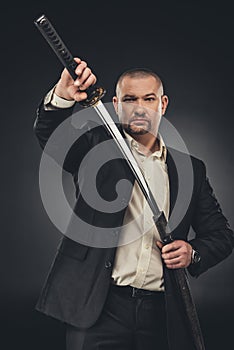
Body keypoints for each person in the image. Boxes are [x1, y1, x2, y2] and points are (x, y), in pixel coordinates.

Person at [34, 57, 234, 350]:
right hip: (99, 308)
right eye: (130, 99)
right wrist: (63, 95)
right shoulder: (95, 147)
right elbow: (50, 135)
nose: (139, 106)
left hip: (161, 310)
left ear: (162, 104)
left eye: (148, 98)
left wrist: (193, 252)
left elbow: (222, 236)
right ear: (116, 104)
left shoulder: (191, 169)